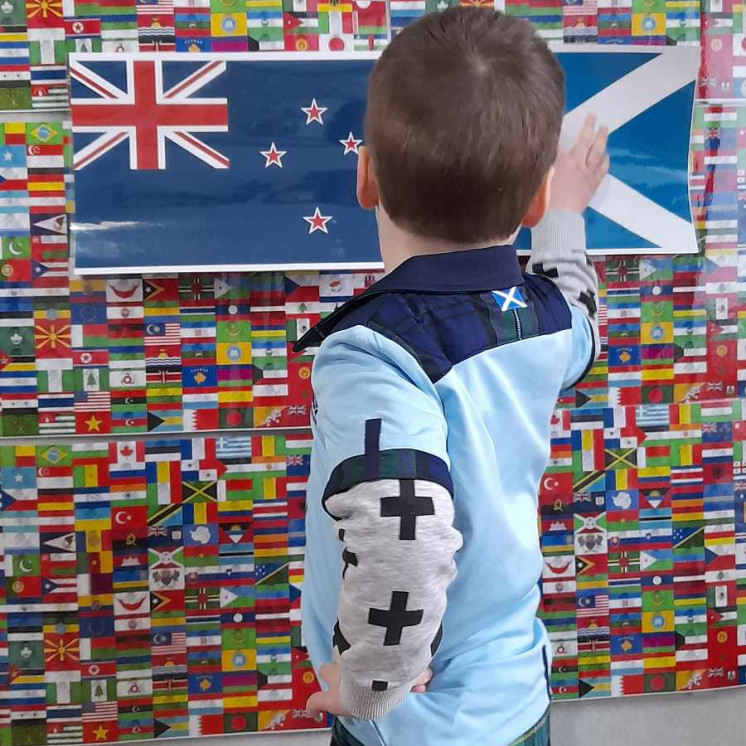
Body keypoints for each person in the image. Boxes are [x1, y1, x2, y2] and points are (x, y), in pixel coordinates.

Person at [293, 8, 608, 746]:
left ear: (365, 176)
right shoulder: (547, 321)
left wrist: (374, 679)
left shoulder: (373, 352)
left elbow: (404, 528)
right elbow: (581, 312)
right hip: (518, 698)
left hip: (417, 725)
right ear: (530, 201)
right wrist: (563, 214)